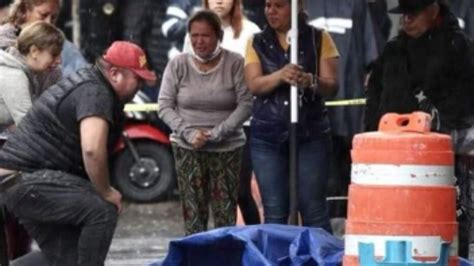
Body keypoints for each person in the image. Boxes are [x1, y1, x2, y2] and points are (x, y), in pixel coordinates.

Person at [0, 41, 156, 265]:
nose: (141, 85)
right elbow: (92, 150)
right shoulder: (96, 92)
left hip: (17, 180)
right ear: (114, 73)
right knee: (103, 210)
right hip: (24, 178)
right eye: (137, 79)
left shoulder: (91, 85)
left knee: (68, 258)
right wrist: (105, 191)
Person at [364, 0, 474, 259]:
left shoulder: (458, 47)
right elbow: (375, 102)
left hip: (445, 154)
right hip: (393, 155)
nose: (406, 20)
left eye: (413, 14)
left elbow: (465, 104)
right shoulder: (393, 50)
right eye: (404, 15)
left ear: (433, 11)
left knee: (452, 216)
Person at [245, 0, 338, 232]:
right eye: (267, 5)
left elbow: (332, 85)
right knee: (275, 210)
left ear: (295, 8)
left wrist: (310, 81)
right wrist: (280, 76)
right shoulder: (255, 42)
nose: (271, 11)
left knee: (313, 208)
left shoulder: (320, 38)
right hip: (267, 134)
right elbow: (254, 84)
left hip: (311, 132)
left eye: (279, 5)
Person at [158, 10, 252, 235]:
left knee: (225, 214)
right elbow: (164, 106)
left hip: (227, 148)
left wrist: (217, 133)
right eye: (194, 35)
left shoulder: (235, 63)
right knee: (193, 215)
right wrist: (188, 133)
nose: (199, 41)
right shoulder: (177, 64)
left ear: (219, 36)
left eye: (205, 36)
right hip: (187, 148)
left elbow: (246, 104)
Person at [183, 0, 261, 225]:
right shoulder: (194, 34)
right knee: (202, 193)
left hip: (242, 124)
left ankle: (254, 239)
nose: (219, 1)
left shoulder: (250, 32)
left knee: (240, 191)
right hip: (201, 124)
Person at [0, 21, 63, 128]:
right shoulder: (13, 75)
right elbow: (30, 127)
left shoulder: (42, 73)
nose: (59, 61)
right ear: (34, 51)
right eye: (54, 55)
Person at [0, 0, 87, 76]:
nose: (48, 22)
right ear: (25, 10)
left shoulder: (63, 46)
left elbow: (81, 76)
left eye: (53, 18)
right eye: (43, 15)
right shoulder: (4, 41)